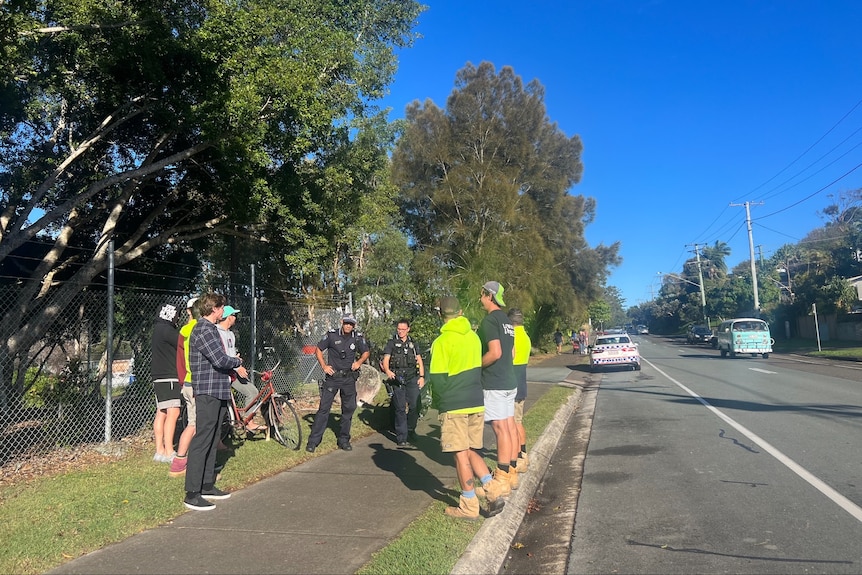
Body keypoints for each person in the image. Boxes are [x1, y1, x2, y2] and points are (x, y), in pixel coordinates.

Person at [430, 296, 505, 519]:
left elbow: (438, 380)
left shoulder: (441, 342)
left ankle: (469, 505)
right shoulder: (473, 337)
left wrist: (439, 402)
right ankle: (493, 490)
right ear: (461, 312)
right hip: (476, 400)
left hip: (454, 403)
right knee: (472, 450)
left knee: (460, 455)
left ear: (439, 315)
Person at [183, 293, 247, 511]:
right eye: (222, 308)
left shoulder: (211, 329)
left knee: (213, 438)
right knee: (203, 439)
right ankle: (192, 493)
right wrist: (236, 361)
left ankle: (207, 485)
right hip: (208, 391)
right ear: (214, 309)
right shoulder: (203, 329)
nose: (224, 311)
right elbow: (219, 359)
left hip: (219, 390)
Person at [306, 313, 370, 453]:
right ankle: (313, 441)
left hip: (348, 379)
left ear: (354, 325)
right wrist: (324, 366)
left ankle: (344, 440)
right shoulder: (332, 335)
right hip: (333, 378)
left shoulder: (357, 337)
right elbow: (318, 350)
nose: (348, 326)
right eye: (346, 323)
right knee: (324, 409)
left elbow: (366, 352)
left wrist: (359, 362)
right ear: (342, 322)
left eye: (351, 324)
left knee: (348, 409)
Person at [478, 280, 519, 494]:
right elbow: (511, 353)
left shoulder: (489, 321)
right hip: (509, 380)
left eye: (482, 294)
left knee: (499, 428)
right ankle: (511, 472)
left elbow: (495, 353)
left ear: (489, 295)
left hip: (495, 382)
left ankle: (501, 477)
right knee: (509, 425)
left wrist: (476, 365)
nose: (480, 299)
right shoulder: (507, 321)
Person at [216, 305, 266, 433]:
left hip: (233, 370)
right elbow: (222, 357)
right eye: (234, 315)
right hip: (224, 373)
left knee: (253, 391)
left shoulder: (231, 334)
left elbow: (231, 354)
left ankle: (248, 420)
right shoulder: (216, 332)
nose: (235, 318)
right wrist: (237, 367)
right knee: (250, 393)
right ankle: (246, 422)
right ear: (228, 317)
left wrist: (238, 363)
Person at [381, 318, 425, 446]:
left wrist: (421, 376)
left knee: (415, 406)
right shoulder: (391, 343)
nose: (400, 331)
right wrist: (388, 371)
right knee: (400, 408)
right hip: (397, 378)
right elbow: (386, 359)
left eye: (403, 329)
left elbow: (419, 360)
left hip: (412, 377)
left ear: (408, 329)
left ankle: (411, 429)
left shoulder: (413, 343)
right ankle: (402, 437)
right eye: (399, 329)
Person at [169, 297, 199, 477]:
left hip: (186, 382)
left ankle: (195, 461)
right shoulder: (199, 329)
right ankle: (179, 462)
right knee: (194, 425)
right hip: (195, 383)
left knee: (196, 424)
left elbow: (180, 360)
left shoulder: (184, 330)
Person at [150, 303, 181, 463]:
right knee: (173, 412)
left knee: (161, 412)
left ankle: (159, 451)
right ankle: (169, 451)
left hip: (158, 377)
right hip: (170, 376)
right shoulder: (169, 331)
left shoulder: (157, 330)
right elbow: (183, 344)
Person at [508, 308, 531, 473]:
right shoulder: (526, 337)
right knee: (518, 421)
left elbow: (509, 357)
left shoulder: (512, 337)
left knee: (514, 423)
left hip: (511, 383)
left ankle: (518, 457)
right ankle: (523, 453)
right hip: (522, 381)